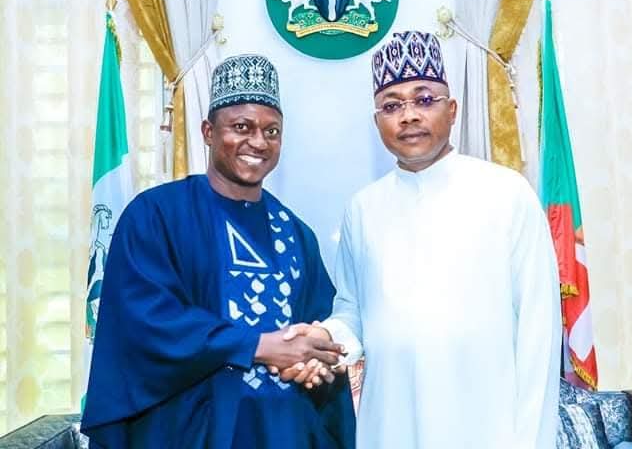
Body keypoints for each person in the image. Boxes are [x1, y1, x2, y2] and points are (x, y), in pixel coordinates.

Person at [283, 31, 561, 448]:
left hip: (487, 427)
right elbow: (354, 312)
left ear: (452, 110)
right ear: (377, 121)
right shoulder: (363, 208)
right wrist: (323, 341)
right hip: (392, 424)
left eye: (424, 99)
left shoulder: (506, 193)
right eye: (392, 105)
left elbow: (540, 335)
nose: (409, 115)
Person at [81, 54, 356, 448]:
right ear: (208, 131)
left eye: (272, 131)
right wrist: (258, 346)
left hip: (285, 434)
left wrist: (314, 361)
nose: (258, 142)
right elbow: (146, 322)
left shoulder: (297, 233)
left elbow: (320, 329)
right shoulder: (156, 215)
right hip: (191, 433)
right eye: (242, 127)